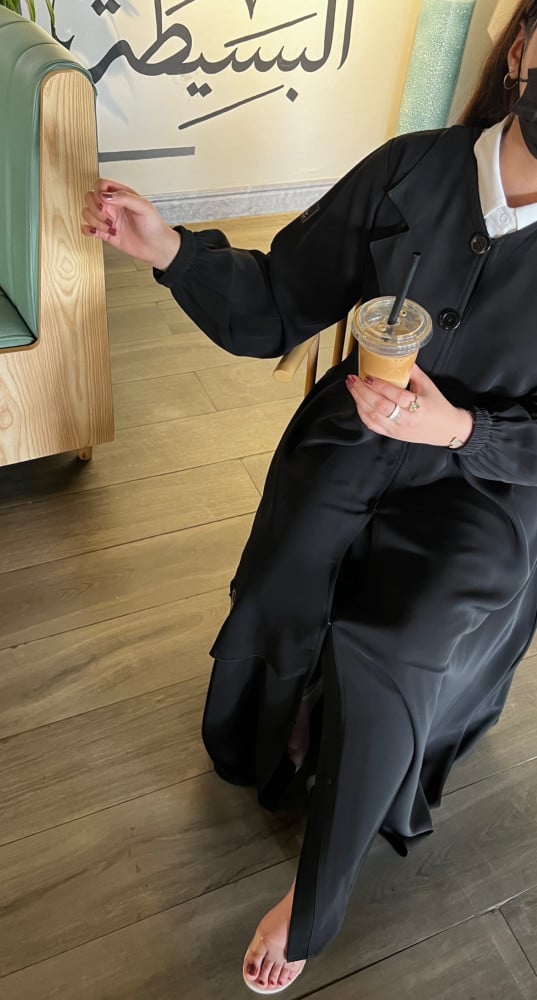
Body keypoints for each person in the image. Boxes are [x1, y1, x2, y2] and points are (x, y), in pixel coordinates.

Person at [82, 1, 537, 992]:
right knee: (291, 566)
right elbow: (283, 298)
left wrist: (461, 430)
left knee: (399, 637)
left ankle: (317, 891)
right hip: (356, 435)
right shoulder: (413, 171)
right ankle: (278, 728)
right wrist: (170, 251)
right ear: (525, 45)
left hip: (492, 482)